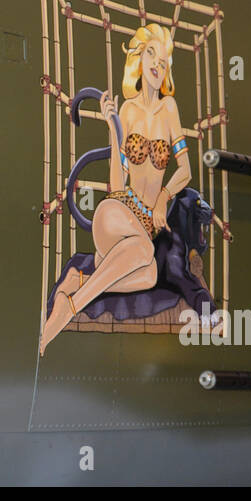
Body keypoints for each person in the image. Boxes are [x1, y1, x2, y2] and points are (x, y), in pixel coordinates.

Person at [39, 22, 215, 355]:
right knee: (144, 254)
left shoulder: (169, 110)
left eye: (163, 62)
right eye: (152, 55)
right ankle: (72, 306)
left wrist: (163, 198)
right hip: (116, 214)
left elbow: (186, 171)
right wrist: (111, 126)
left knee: (148, 275)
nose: (157, 65)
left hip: (143, 227)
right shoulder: (127, 110)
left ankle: (77, 287)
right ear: (139, 58)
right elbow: (117, 182)